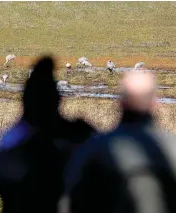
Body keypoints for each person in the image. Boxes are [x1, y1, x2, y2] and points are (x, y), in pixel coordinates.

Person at [61, 71, 176, 213]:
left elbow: (71, 200)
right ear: (155, 104)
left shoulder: (95, 149)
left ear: (121, 103)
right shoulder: (172, 147)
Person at [0, 56, 96, 213]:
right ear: (58, 101)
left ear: (25, 103)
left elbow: (1, 181)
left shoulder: (12, 142)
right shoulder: (79, 137)